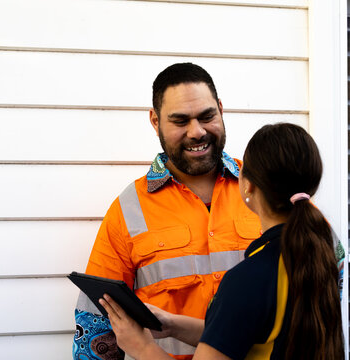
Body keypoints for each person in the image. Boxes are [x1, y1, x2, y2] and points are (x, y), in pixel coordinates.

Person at [99, 123, 345, 360]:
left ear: (247, 186)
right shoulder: (318, 256)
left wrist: (141, 348)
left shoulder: (248, 279)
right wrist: (173, 325)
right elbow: (243, 330)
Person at [73, 62, 263, 360]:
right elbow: (96, 322)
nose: (197, 131)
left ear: (221, 110)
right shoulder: (128, 209)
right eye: (180, 121)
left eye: (207, 116)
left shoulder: (267, 185)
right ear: (155, 120)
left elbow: (326, 263)